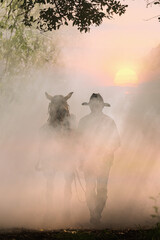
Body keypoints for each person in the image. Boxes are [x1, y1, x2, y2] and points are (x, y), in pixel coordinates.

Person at [78, 93, 120, 225]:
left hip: (104, 160)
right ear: (90, 106)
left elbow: (116, 142)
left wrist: (105, 152)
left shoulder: (109, 122)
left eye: (97, 105)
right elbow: (79, 142)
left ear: (102, 107)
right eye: (93, 105)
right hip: (88, 160)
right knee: (90, 187)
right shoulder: (83, 122)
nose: (95, 108)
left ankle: (97, 213)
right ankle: (93, 213)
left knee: (101, 188)